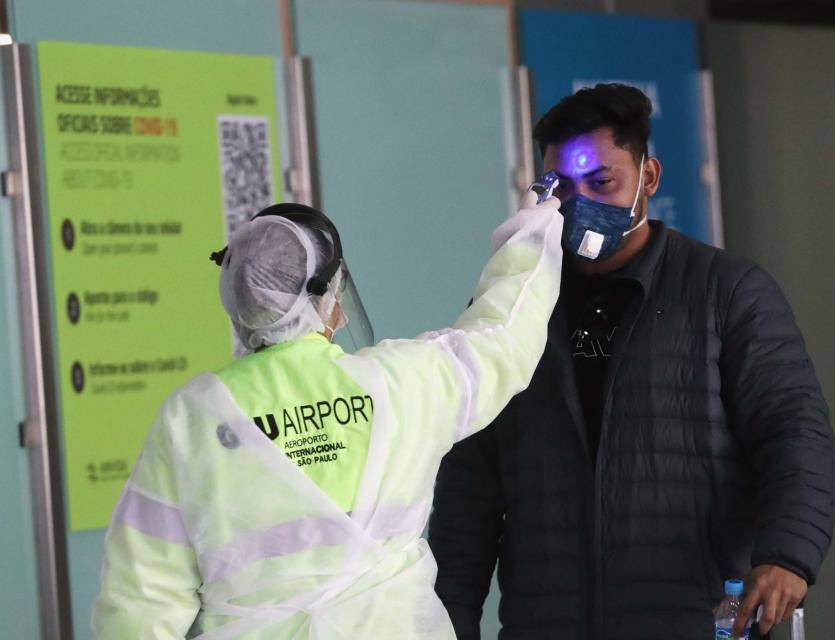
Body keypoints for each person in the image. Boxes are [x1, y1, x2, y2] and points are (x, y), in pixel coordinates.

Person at [429, 83, 835, 640]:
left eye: (603, 182)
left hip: (692, 616)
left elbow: (794, 428)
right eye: (563, 189)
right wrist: (448, 622)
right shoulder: (510, 310)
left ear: (648, 177)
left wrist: (789, 554)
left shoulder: (726, 292)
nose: (582, 204)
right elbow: (470, 486)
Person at [92, 194, 563, 639]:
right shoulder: (400, 384)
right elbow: (503, 339)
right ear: (328, 296)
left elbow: (140, 600)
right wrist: (532, 235)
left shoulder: (194, 417)